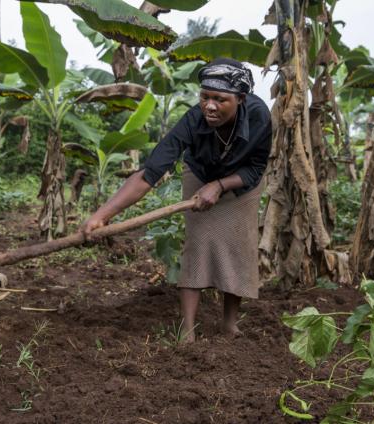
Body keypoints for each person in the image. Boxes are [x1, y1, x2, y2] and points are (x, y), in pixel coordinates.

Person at [82, 57, 272, 343]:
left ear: (241, 99)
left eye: (220, 99)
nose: (209, 106)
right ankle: (187, 331)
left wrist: (220, 185)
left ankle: (230, 324)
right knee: (197, 244)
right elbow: (149, 172)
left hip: (240, 181)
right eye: (205, 97)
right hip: (199, 173)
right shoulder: (194, 120)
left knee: (237, 245)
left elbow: (256, 168)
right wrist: (102, 215)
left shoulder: (259, 116)